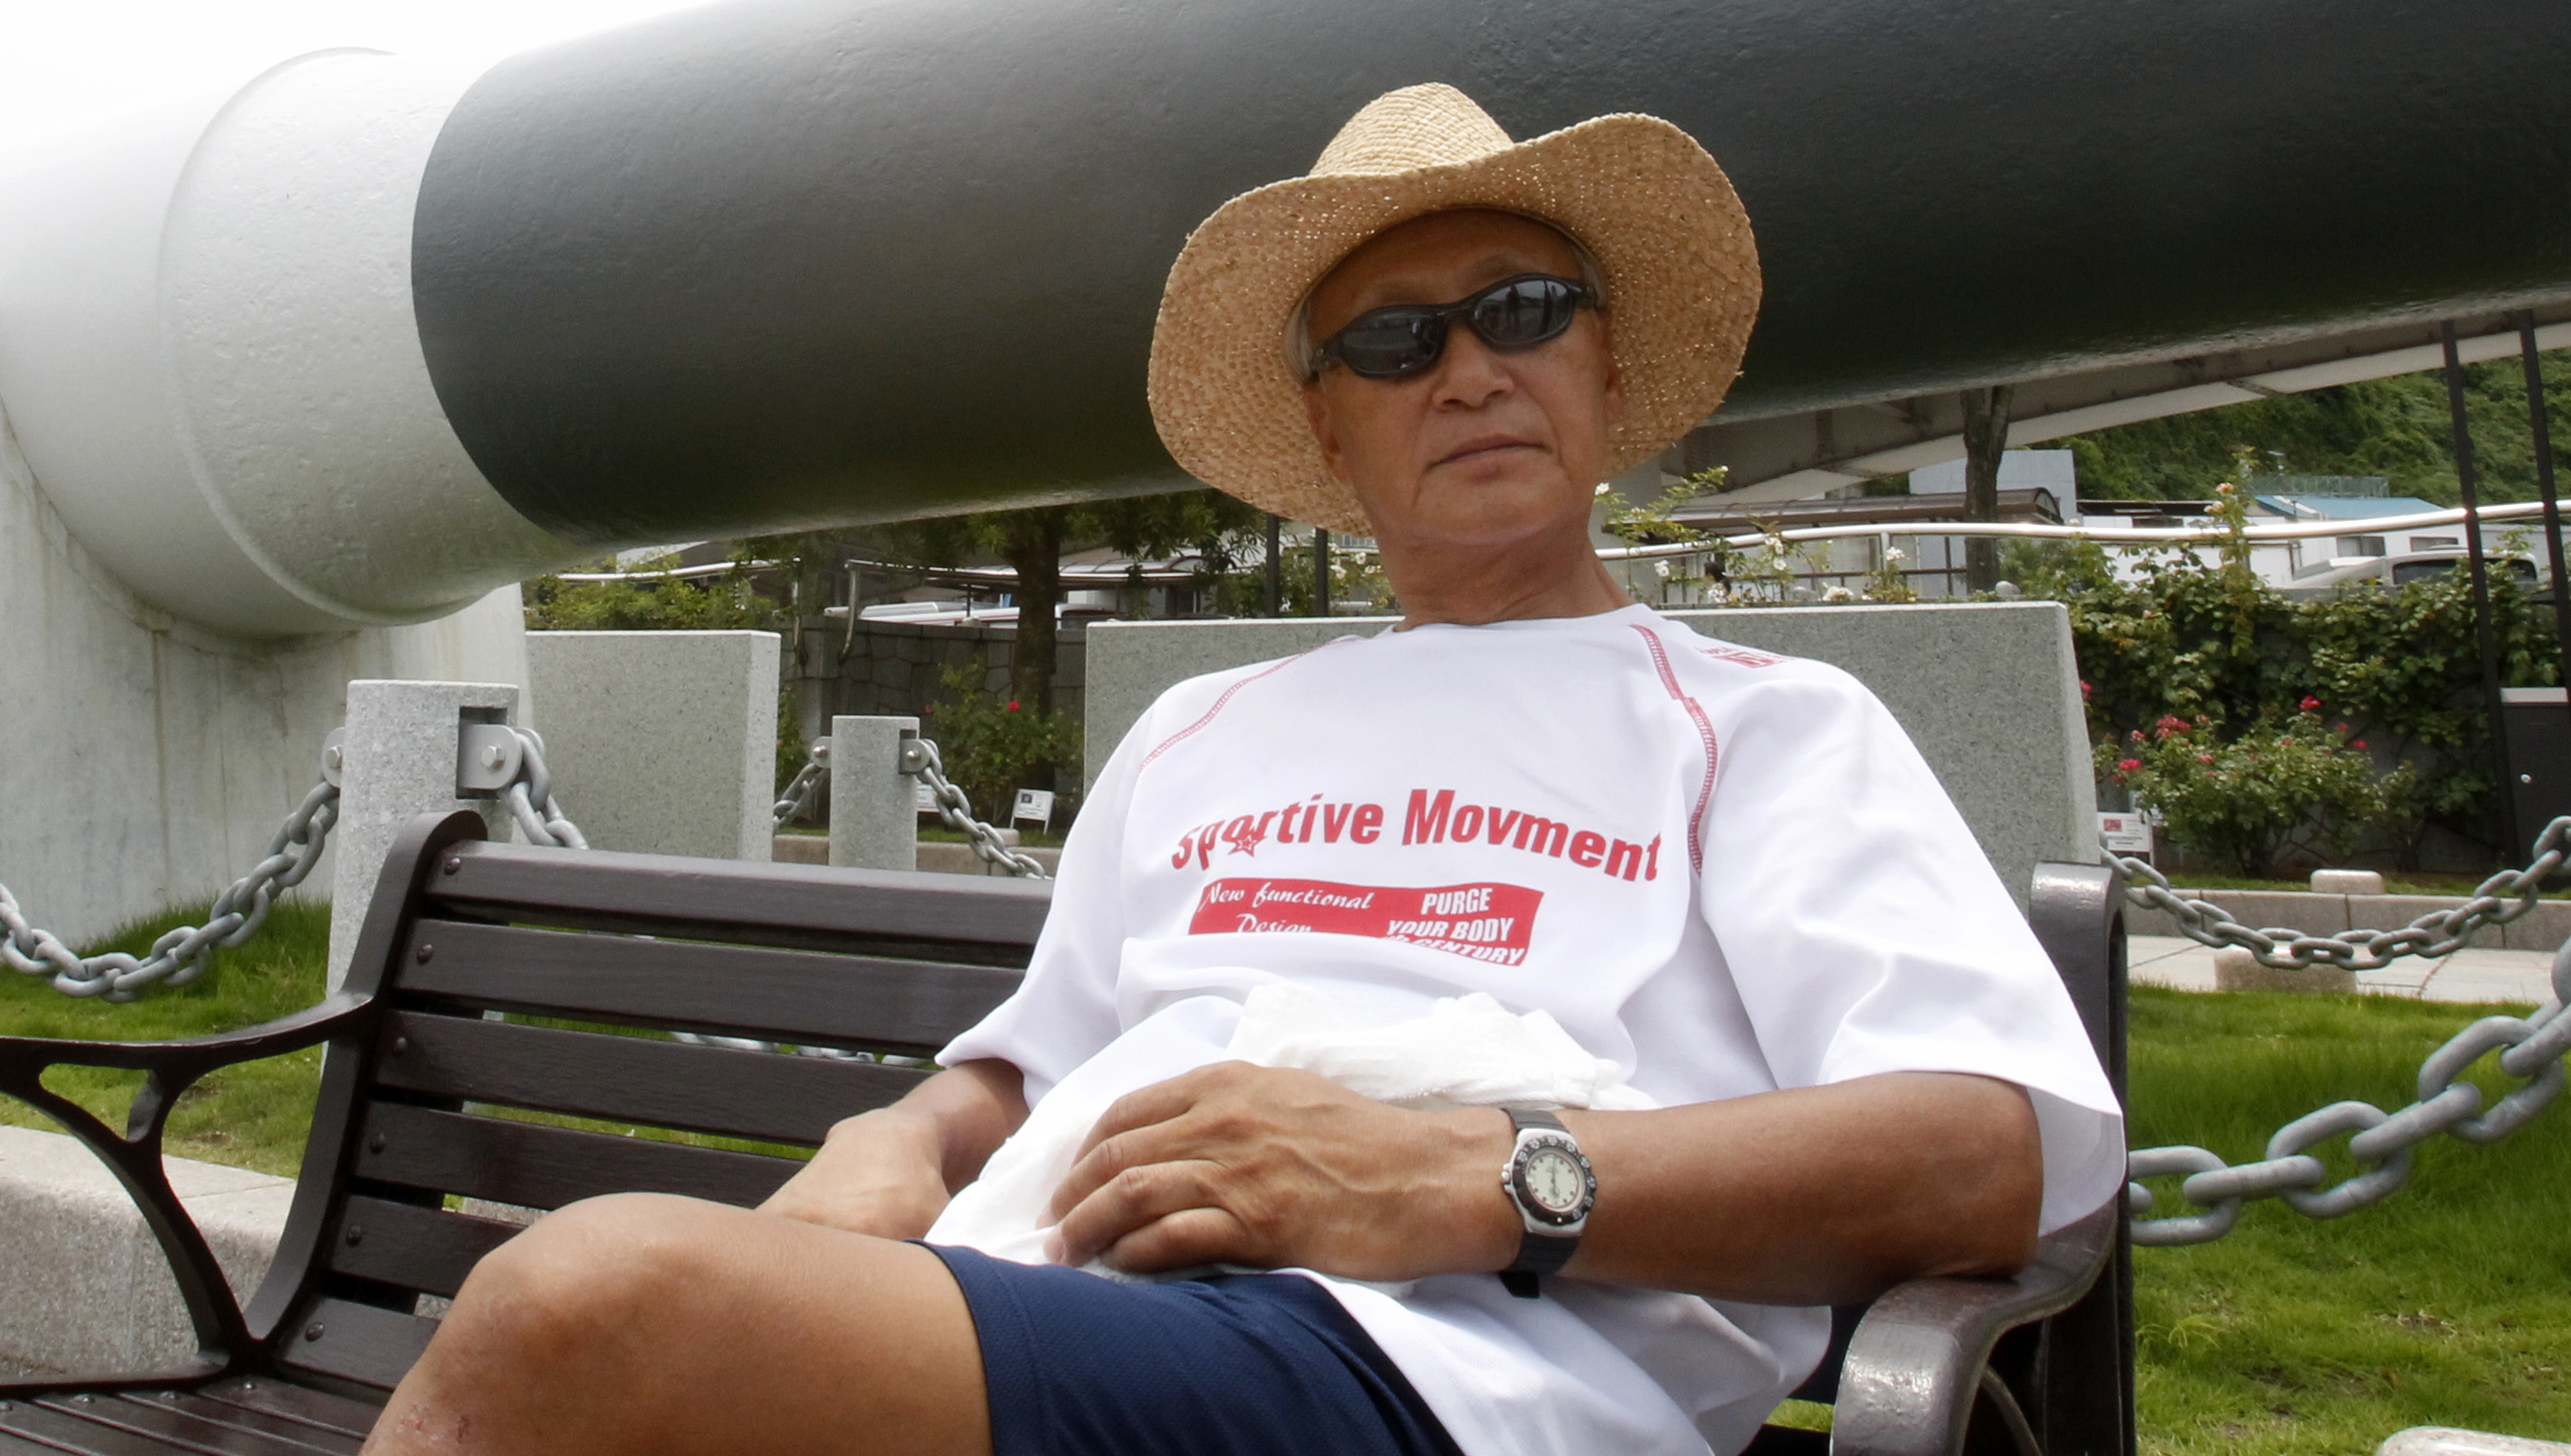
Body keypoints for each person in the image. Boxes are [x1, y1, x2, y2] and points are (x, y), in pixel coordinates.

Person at [362, 85, 2123, 1456]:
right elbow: (1021, 1067)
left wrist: (1473, 1176)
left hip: (1449, 1376)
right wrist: (892, 1136)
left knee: (584, 1304)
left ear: (1600, 358)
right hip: (1068, 1300)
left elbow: (1993, 1152)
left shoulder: (1762, 726)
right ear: (1328, 427)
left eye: (1523, 304)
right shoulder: (1214, 730)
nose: (1469, 367)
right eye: (1391, 338)